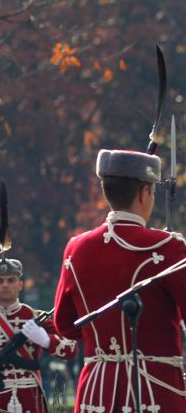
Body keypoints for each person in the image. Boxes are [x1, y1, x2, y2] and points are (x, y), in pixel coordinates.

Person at [53, 149, 186, 412]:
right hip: (155, 391)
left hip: (97, 392)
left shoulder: (75, 248)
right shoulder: (168, 247)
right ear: (144, 193)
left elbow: (65, 324)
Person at [0, 258, 77, 412]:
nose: (5, 285)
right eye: (0, 280)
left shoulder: (35, 316)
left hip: (30, 397)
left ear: (20, 285)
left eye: (11, 280)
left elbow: (71, 349)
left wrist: (46, 340)